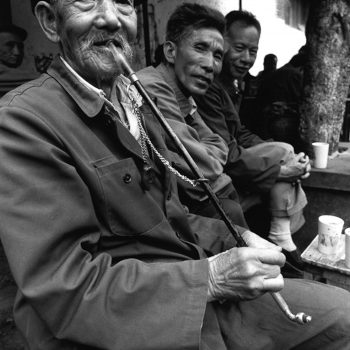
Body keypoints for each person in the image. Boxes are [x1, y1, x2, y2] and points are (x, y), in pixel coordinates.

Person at [0, 1, 350, 349]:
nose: (110, 18)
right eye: (86, 1)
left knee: (342, 316)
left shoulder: (133, 100)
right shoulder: (24, 121)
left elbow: (172, 215)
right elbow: (65, 289)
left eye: (122, 2)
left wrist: (236, 237)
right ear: (49, 21)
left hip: (199, 289)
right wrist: (210, 278)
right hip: (130, 323)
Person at [195, 11, 310, 268]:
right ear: (221, 43)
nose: (247, 58)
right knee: (284, 153)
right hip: (217, 171)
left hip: (233, 157)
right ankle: (282, 233)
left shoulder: (233, 85)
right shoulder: (207, 86)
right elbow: (227, 153)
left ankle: (282, 232)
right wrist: (280, 169)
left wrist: (278, 154)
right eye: (239, 48)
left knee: (286, 149)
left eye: (253, 51)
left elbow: (240, 132)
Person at [138, 4, 247, 228]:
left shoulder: (184, 94)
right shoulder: (149, 87)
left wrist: (210, 154)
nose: (210, 65)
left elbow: (217, 146)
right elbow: (205, 168)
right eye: (200, 48)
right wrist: (210, 154)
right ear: (170, 52)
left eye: (218, 55)